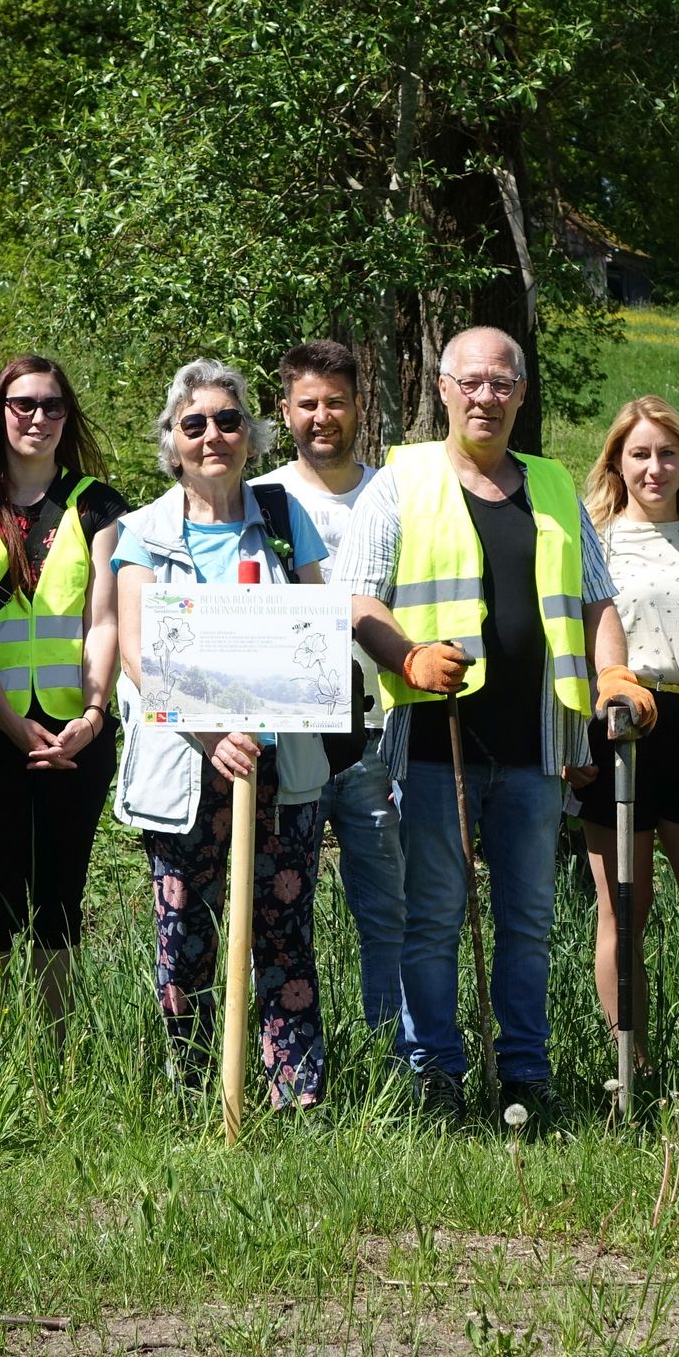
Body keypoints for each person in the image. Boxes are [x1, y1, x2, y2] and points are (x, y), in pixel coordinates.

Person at [340, 325, 653, 1128]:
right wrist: (405, 657)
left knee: (527, 922)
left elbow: (596, 599)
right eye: (470, 382)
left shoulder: (551, 487)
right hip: (435, 742)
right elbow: (357, 597)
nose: (486, 396)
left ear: (521, 392)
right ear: (443, 389)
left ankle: (525, 1075)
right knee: (436, 915)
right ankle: (434, 1076)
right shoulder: (400, 480)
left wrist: (611, 674)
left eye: (501, 383)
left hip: (536, 746)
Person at [114, 359, 334, 1109]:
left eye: (229, 420)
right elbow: (137, 648)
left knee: (284, 931)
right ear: (172, 443)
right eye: (195, 424)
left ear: (253, 434)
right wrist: (211, 733)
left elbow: (316, 627)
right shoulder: (141, 531)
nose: (214, 436)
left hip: (281, 764)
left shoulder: (280, 519)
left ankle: (295, 1097)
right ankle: (194, 1091)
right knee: (187, 935)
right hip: (186, 766)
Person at [0, 356, 131, 1065]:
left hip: (77, 732)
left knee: (60, 903)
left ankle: (54, 1065)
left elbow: (104, 619)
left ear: (67, 416)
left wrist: (96, 712)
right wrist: (15, 728)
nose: (36, 418)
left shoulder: (100, 505)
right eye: (21, 405)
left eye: (50, 406)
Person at [576, 396, 679, 1105]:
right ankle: (631, 1068)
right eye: (640, 453)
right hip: (617, 727)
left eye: (668, 453)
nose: (654, 467)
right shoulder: (595, 537)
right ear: (616, 460)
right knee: (624, 908)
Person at [254, 340, 406, 1052]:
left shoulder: (397, 494)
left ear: (358, 408)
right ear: (285, 412)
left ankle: (394, 1062)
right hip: (297, 742)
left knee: (391, 914)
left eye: (336, 402)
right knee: (284, 913)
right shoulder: (262, 504)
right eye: (307, 403)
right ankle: (289, 1057)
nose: (323, 417)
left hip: (387, 734)